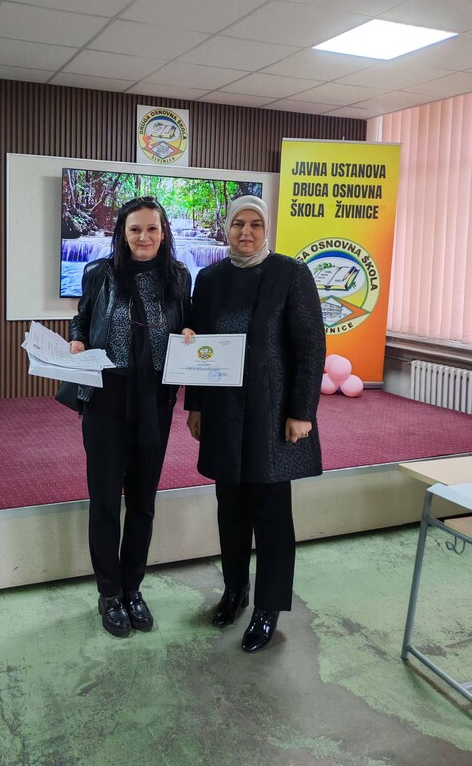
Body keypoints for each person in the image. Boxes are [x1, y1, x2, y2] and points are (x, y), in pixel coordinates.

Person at [185, 195, 325, 653]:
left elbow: (310, 348)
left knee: (271, 514)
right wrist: (196, 406)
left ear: (267, 229)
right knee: (230, 509)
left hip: (272, 413)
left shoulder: (290, 274)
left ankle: (268, 607)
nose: (246, 232)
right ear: (227, 228)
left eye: (256, 224)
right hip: (223, 412)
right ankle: (235, 590)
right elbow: (199, 347)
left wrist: (302, 411)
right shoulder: (209, 279)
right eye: (238, 224)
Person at [69, 197, 193, 638]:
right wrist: (77, 341)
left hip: (155, 399)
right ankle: (109, 593)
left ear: (164, 232)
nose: (144, 237)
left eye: (152, 229)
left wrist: (190, 332)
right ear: (122, 233)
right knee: (105, 500)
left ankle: (132, 588)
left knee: (143, 502)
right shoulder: (99, 273)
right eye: (135, 229)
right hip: (107, 397)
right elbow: (81, 321)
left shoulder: (178, 276)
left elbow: (186, 323)